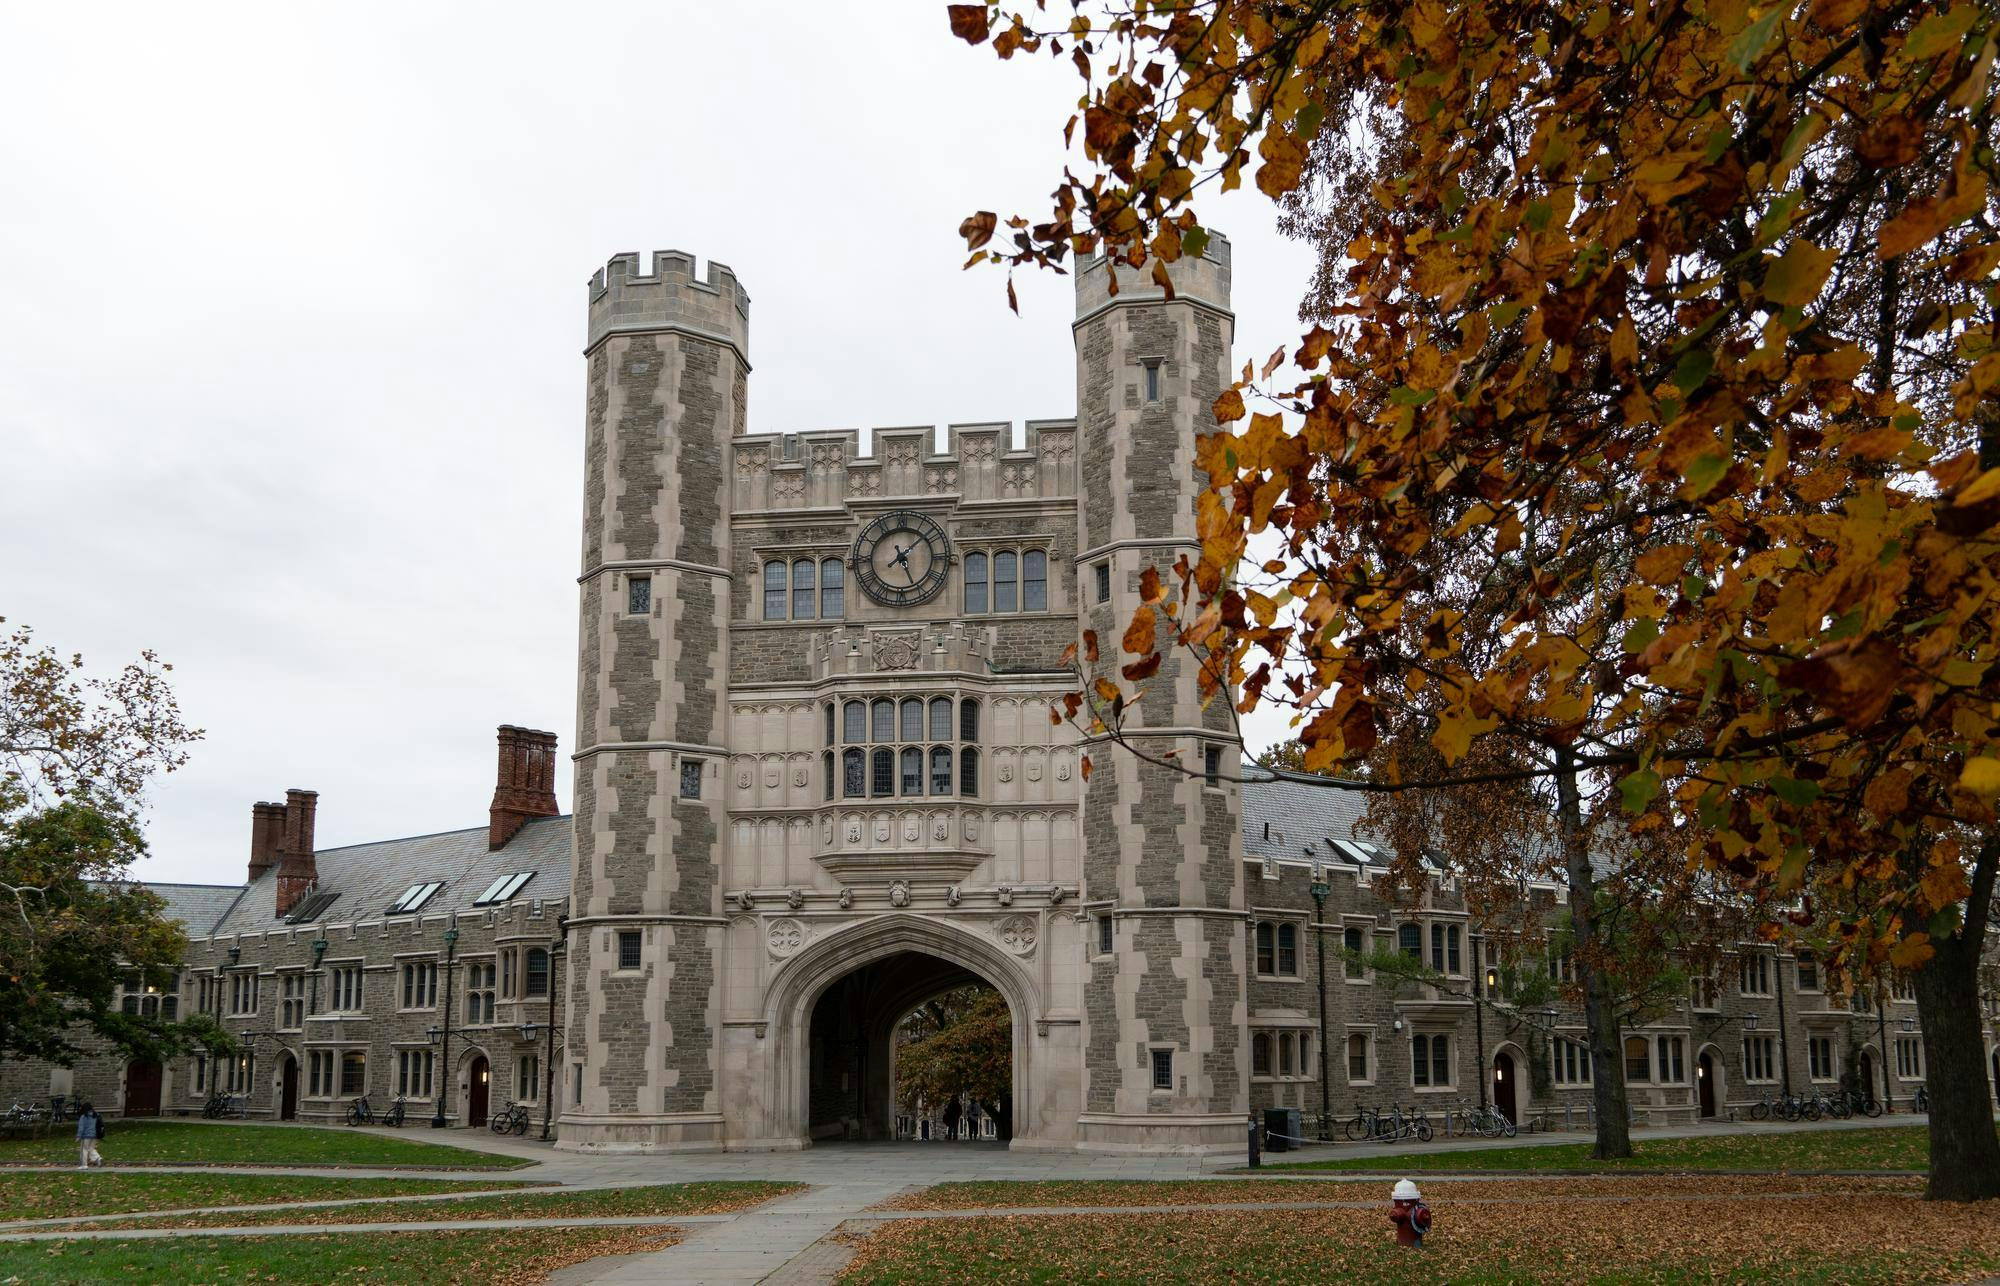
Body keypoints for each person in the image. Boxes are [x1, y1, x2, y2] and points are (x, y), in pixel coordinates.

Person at [75, 1103, 105, 1169]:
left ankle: (84, 1165)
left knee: (84, 1150)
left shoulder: (84, 1116)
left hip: (85, 1136)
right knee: (91, 1148)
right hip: (94, 1135)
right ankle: (98, 1158)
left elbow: (81, 1127)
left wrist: (78, 1136)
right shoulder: (96, 1115)